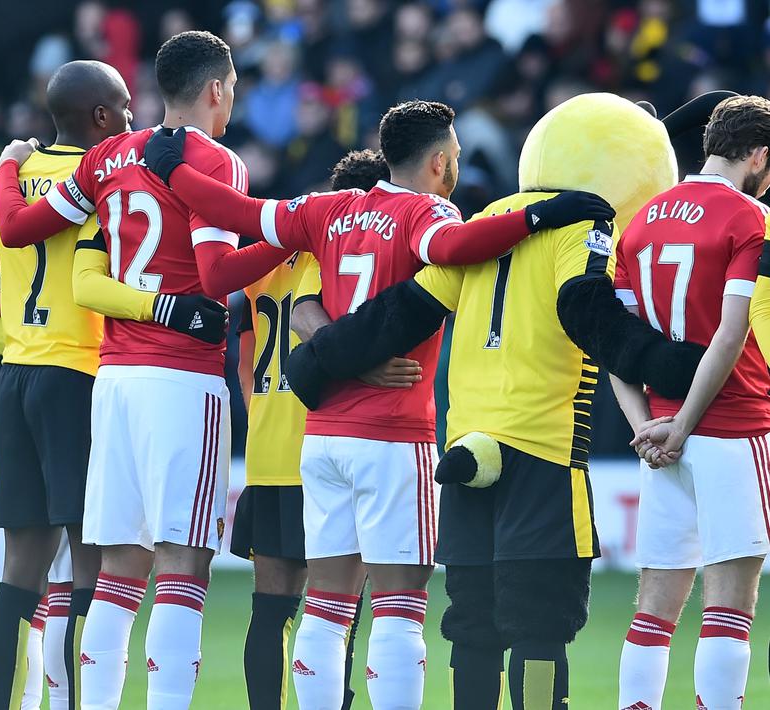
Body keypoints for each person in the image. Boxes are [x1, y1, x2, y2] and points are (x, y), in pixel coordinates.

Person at [140, 101, 614, 710]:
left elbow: (240, 212)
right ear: (439, 161)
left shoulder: (328, 208)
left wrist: (174, 171)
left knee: (326, 605)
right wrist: (542, 214)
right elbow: (456, 246)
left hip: (321, 438)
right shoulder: (427, 212)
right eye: (455, 157)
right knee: (400, 607)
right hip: (393, 433)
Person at [271, 94, 700, 710]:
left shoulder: (484, 221)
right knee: (540, 622)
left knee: (471, 625)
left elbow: (401, 310)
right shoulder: (581, 223)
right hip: (541, 448)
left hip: (465, 449)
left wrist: (313, 363)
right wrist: (678, 364)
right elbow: (587, 311)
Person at [0, 30, 286, 710]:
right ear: (216, 89)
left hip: (114, 379)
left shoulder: (106, 157)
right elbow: (215, 274)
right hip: (181, 377)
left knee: (119, 568)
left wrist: (7, 167)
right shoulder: (216, 159)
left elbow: (17, 227)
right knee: (183, 564)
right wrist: (289, 235)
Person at [0, 60, 132, 710]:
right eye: (125, 106)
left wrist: (8, 337)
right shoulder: (105, 177)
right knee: (90, 565)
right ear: (101, 115)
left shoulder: (6, 181)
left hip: (17, 379)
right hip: (79, 377)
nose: (132, 116)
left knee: (19, 575)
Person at [611, 94, 770, 710]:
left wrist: (648, 425)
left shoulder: (641, 220)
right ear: (759, 156)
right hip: (731, 427)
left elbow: (618, 342)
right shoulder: (749, 217)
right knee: (730, 607)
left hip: (659, 438)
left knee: (653, 611)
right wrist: (682, 425)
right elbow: (731, 333)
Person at [231, 149, 388, 710]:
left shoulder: (266, 258)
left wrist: (262, 415)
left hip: (268, 450)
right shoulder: (344, 253)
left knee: (270, 609)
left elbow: (243, 359)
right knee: (337, 611)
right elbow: (319, 329)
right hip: (329, 446)